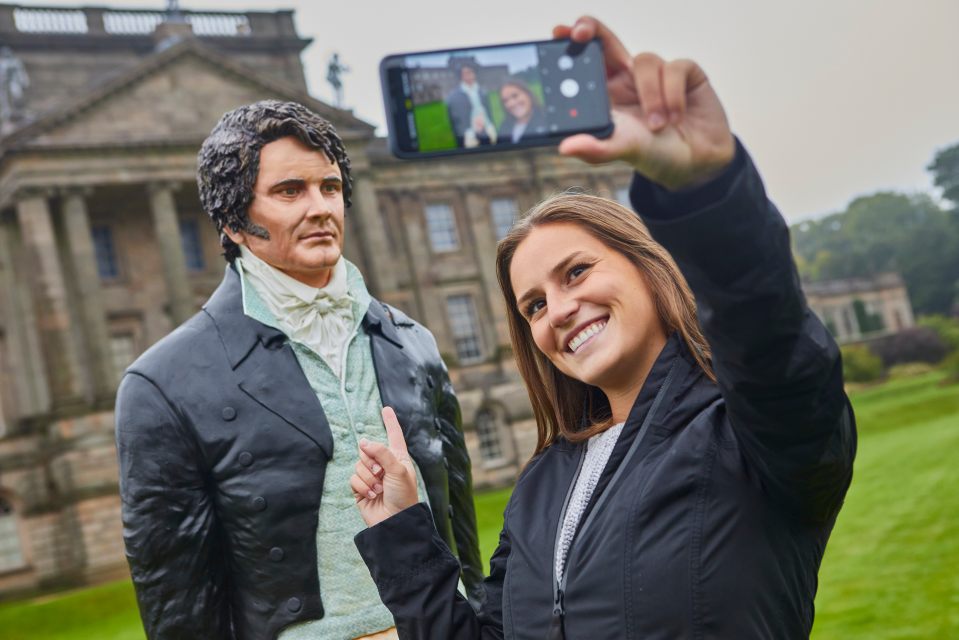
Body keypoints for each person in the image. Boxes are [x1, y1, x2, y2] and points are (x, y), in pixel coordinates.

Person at [350, 16, 856, 639]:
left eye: (577, 272)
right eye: (533, 305)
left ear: (649, 269)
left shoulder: (754, 433)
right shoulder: (543, 483)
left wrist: (704, 188)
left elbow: (770, 337)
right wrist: (400, 529)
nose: (558, 310)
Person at [115, 100, 484, 640]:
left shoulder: (414, 343)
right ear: (232, 220)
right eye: (290, 191)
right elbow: (180, 608)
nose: (320, 208)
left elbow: (462, 536)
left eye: (330, 188)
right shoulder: (161, 385)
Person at [446, 59, 498, 148]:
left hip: (487, 129)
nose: (469, 75)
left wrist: (489, 125)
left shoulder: (482, 92)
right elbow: (455, 122)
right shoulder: (454, 96)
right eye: (465, 73)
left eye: (470, 72)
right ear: (461, 76)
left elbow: (488, 112)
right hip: (469, 135)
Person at [497, 78, 547, 144]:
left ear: (528, 94)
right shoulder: (504, 126)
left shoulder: (547, 118)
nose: (511, 104)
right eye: (505, 101)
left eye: (515, 96)